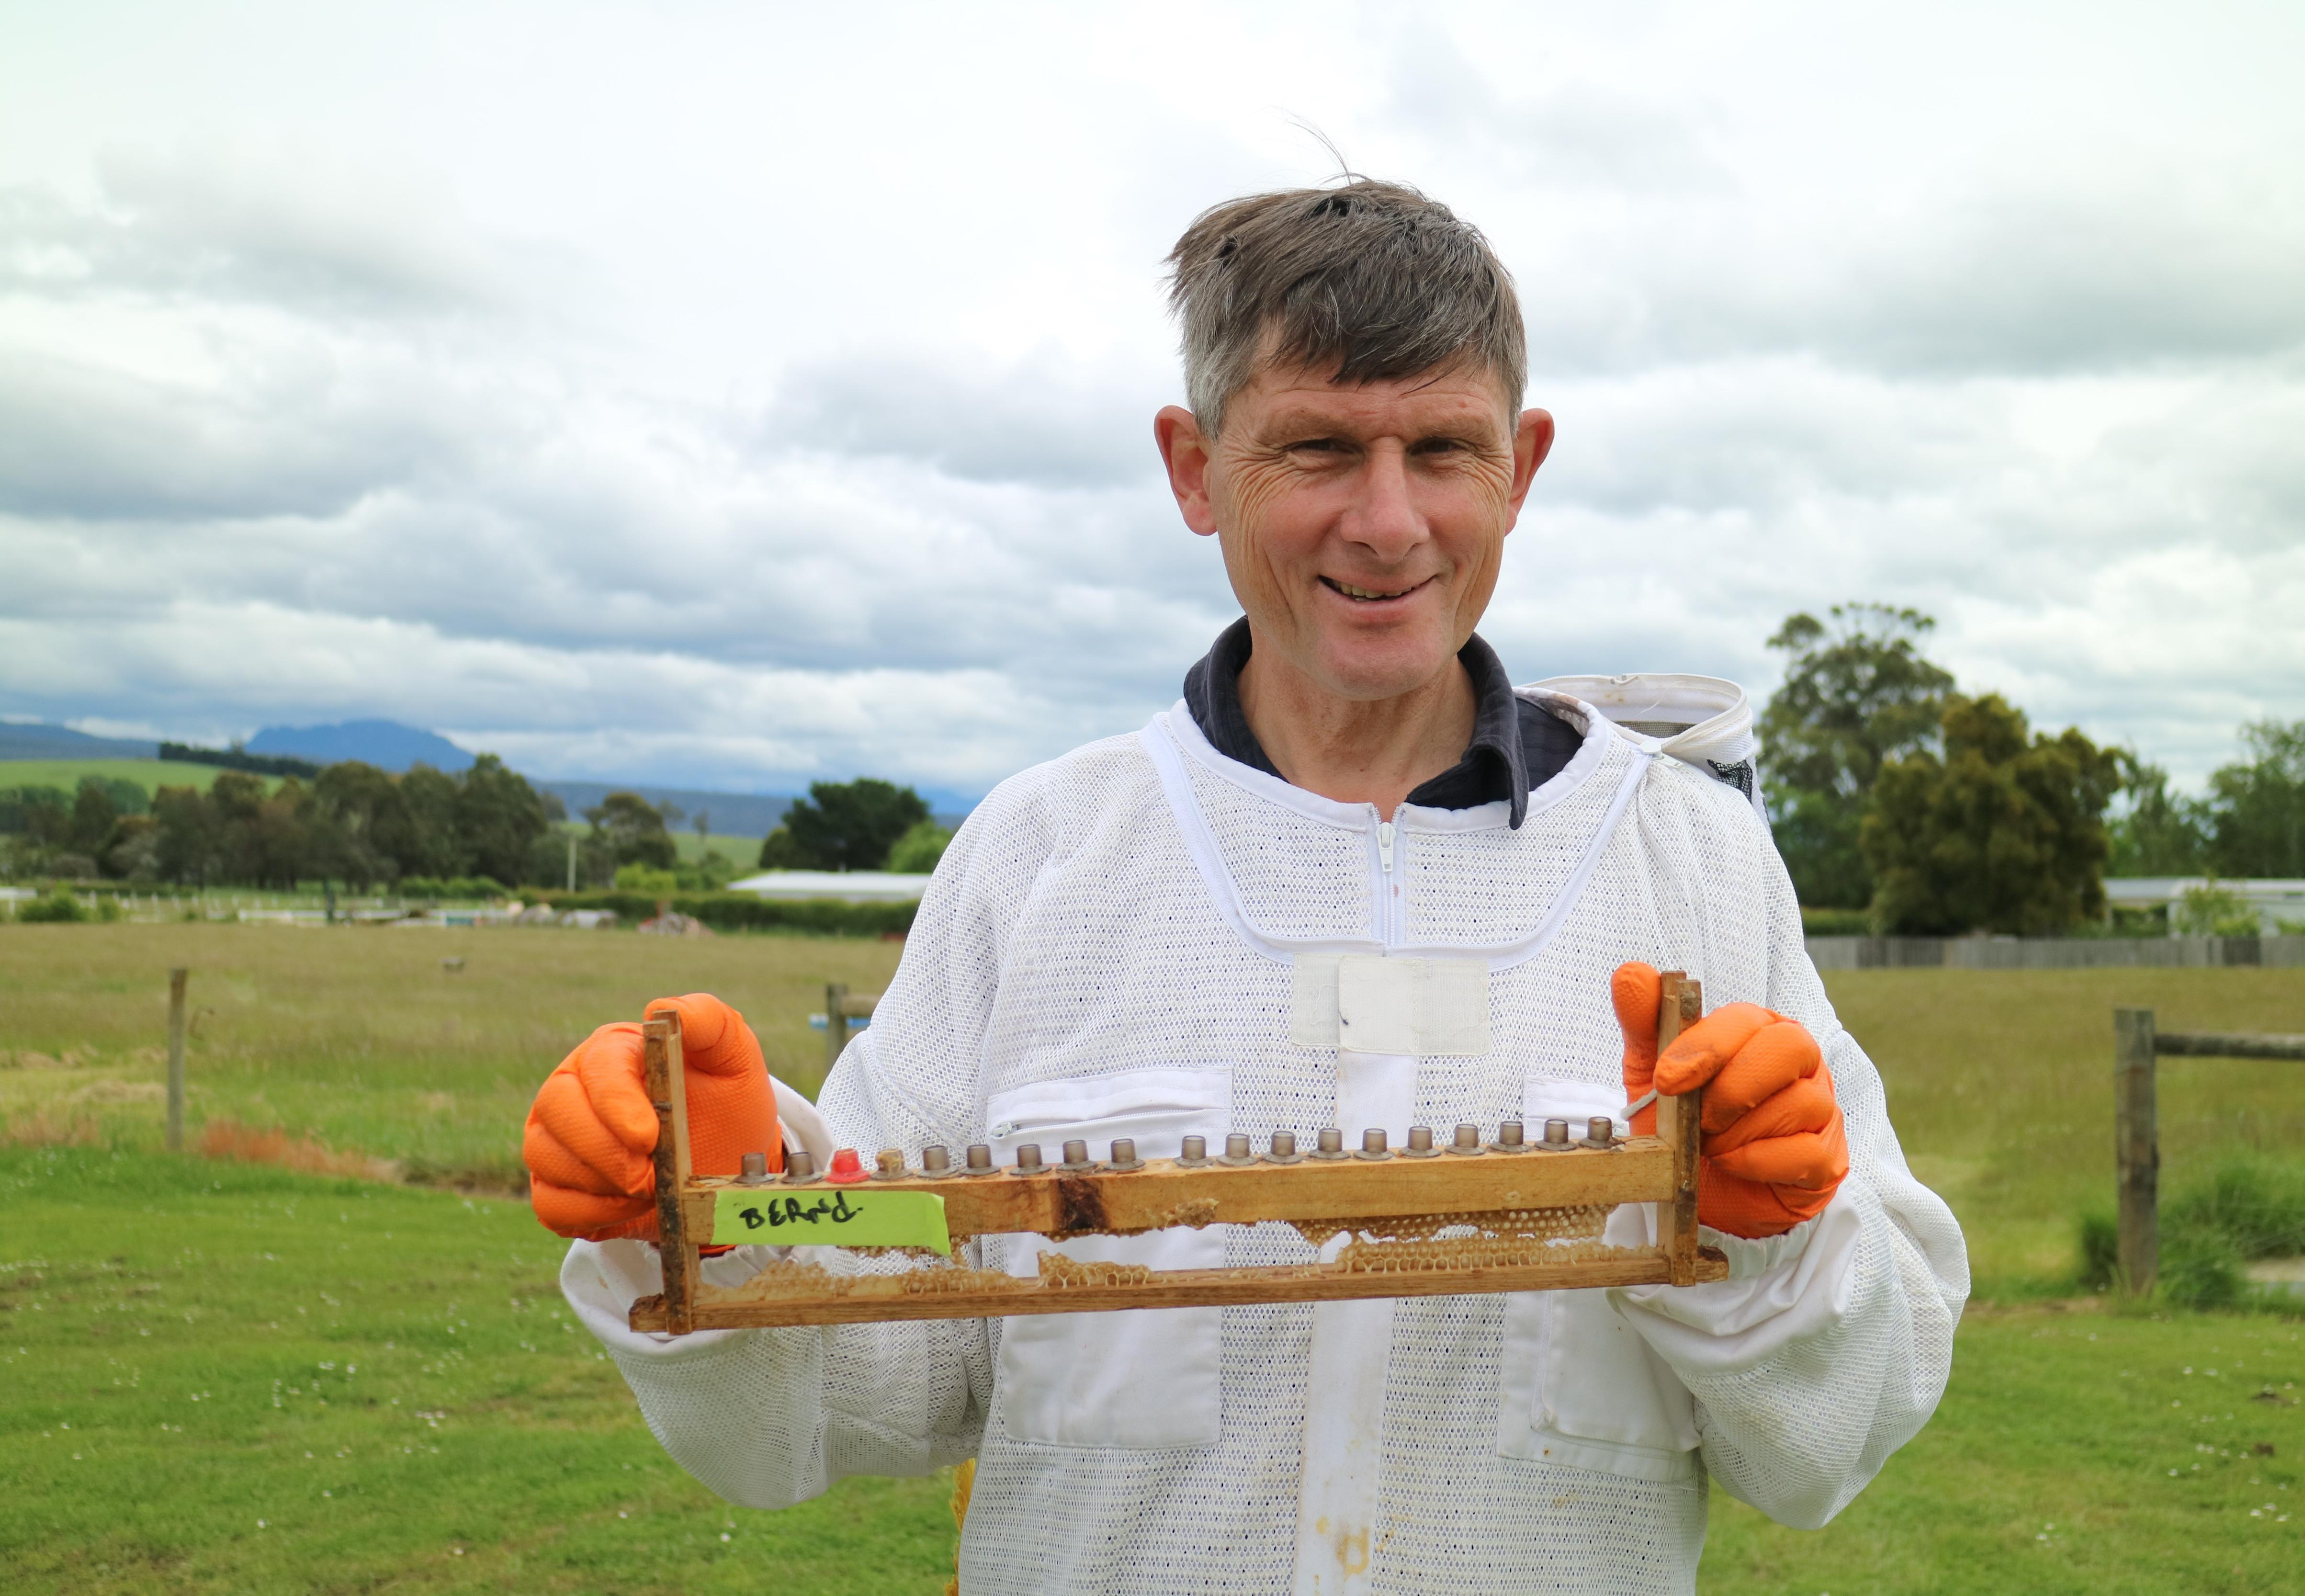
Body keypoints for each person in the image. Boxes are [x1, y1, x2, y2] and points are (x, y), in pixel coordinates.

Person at [524, 178, 1968, 1596]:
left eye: (1445, 450)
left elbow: (1836, 1438)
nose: (1389, 522)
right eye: (1320, 449)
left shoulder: (1692, 866)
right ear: (1194, 467)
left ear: (1522, 466)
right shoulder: (1042, 863)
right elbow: (874, 1367)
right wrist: (742, 1205)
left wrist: (1771, 1242)